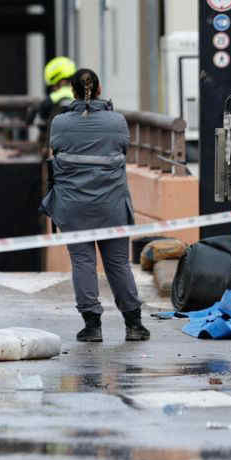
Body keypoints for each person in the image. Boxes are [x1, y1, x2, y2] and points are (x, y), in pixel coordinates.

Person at [41, 68, 149, 342]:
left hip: (73, 206)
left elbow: (56, 150)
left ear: (73, 92)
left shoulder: (60, 123)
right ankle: (134, 325)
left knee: (82, 262)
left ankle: (92, 327)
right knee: (118, 264)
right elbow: (123, 149)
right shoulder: (117, 121)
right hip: (111, 204)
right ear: (99, 90)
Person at [27, 56, 76, 135]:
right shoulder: (85, 92)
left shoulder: (60, 95)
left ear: (61, 81)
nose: (53, 89)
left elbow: (43, 109)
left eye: (53, 86)